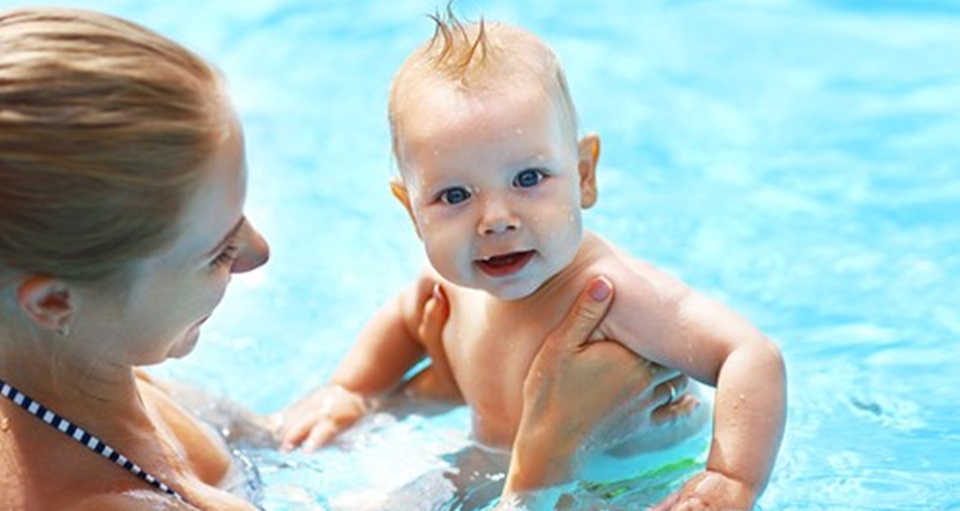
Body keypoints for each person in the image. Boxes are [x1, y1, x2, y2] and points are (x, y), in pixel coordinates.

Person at [0, 7, 693, 511]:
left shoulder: (103, 376)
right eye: (216, 250)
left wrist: (424, 394)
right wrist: (544, 453)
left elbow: (278, 446)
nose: (258, 252)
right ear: (55, 301)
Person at [279, 11, 787, 510]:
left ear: (584, 176)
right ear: (413, 213)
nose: (495, 220)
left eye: (528, 179)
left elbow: (749, 354)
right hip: (503, 471)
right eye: (455, 195)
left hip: (639, 486)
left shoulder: (609, 293)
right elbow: (409, 318)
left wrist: (731, 478)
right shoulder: (450, 283)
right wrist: (352, 390)